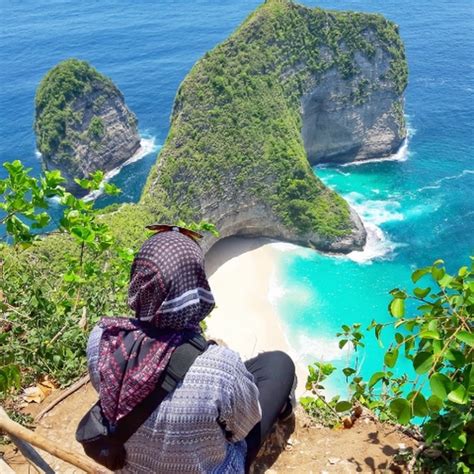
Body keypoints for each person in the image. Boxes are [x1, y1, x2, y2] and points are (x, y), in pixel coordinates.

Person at [86, 227, 296, 473]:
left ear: (138, 280)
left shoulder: (103, 338)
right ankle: (285, 412)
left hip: (131, 466)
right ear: (196, 286)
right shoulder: (219, 367)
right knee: (279, 364)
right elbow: (242, 428)